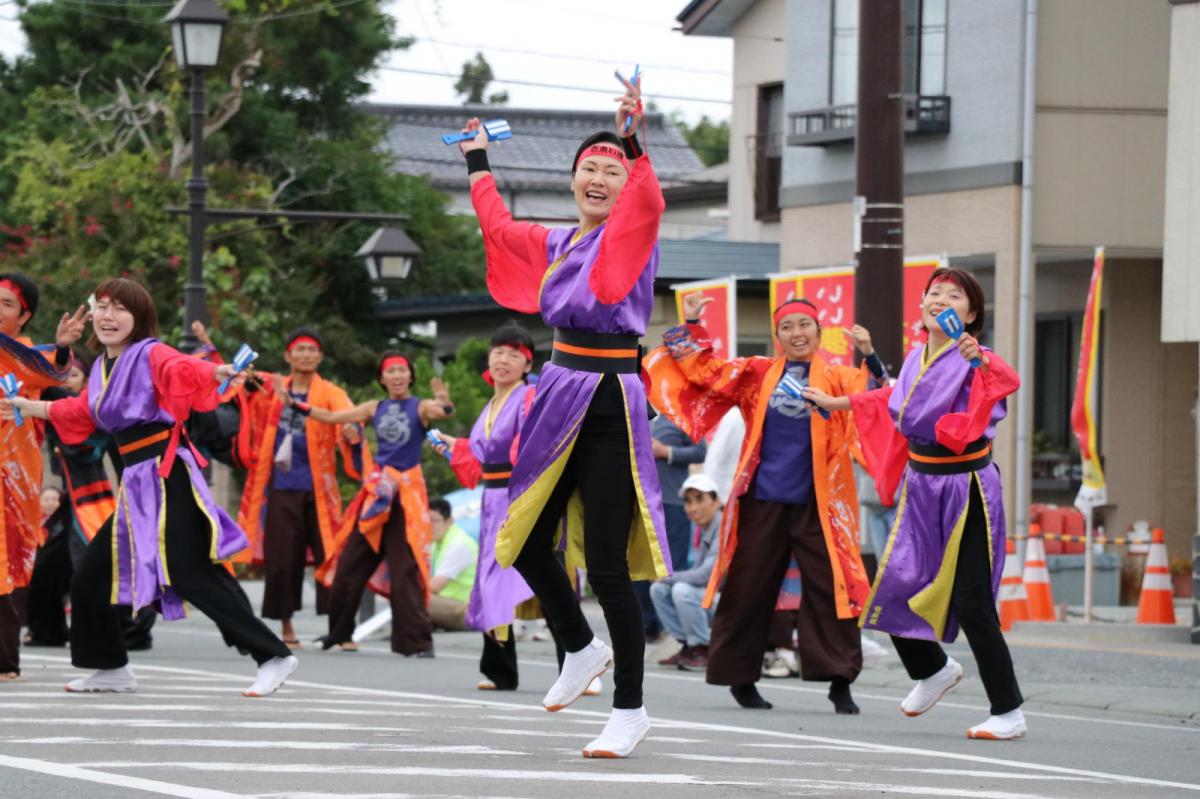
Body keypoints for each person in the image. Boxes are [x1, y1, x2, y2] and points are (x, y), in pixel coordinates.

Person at [457, 73, 668, 758]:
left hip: (609, 395)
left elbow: (650, 198)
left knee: (607, 564)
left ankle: (629, 708)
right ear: (573, 181)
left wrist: (634, 139)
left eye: (611, 169)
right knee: (520, 540)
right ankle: (579, 645)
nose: (599, 178)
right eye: (589, 169)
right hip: (558, 391)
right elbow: (496, 225)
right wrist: (478, 162)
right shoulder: (556, 244)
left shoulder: (632, 234)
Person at [2, 277, 297, 696]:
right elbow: (82, 410)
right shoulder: (105, 367)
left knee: (192, 573)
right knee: (90, 576)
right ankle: (109, 667)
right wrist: (27, 406)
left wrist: (217, 370)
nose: (107, 316)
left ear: (138, 318)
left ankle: (272, 655)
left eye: (119, 308)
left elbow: (183, 367)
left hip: (166, 474)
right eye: (102, 306)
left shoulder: (149, 352)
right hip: (137, 483)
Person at [804, 266, 1026, 740]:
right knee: (895, 586)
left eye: (954, 296)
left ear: (970, 315)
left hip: (964, 487)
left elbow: (1004, 381)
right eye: (934, 293)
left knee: (972, 603)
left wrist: (978, 359)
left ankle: (1008, 710)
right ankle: (933, 670)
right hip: (922, 485)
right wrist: (836, 403)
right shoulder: (915, 356)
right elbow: (893, 400)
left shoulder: (975, 355)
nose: (940, 299)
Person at [646, 292, 886, 715]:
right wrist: (691, 324)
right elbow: (706, 373)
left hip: (821, 502)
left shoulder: (837, 377)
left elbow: (875, 397)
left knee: (833, 588)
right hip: (762, 499)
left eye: (804, 325)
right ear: (777, 335)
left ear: (818, 330)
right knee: (747, 588)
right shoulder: (757, 374)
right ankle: (739, 678)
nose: (797, 334)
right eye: (787, 327)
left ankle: (839, 681)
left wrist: (869, 354)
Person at [300, 351, 452, 656]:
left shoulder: (420, 406)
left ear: (410, 376)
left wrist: (445, 402)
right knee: (349, 564)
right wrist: (293, 403)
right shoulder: (374, 407)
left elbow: (441, 412)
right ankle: (338, 632)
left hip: (406, 498)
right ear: (382, 379)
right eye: (390, 371)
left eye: (401, 370)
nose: (396, 376)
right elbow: (331, 417)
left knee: (405, 569)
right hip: (378, 496)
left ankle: (418, 642)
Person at [430, 321, 539, 691]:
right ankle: (500, 669)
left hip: (520, 498)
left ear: (527, 365)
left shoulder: (528, 397)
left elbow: (530, 450)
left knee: (543, 579)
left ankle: (579, 655)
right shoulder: (492, 404)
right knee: (493, 584)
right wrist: (453, 446)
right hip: (492, 500)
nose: (503, 359)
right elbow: (478, 458)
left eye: (514, 354)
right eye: (497, 352)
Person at [236, 327, 360, 650]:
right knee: (282, 559)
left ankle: (341, 630)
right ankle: (287, 627)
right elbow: (238, 382)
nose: (306, 354)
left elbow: (348, 414)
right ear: (288, 356)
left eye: (312, 350)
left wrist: (350, 430)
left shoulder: (330, 392)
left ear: (320, 357)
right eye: (299, 349)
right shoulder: (272, 387)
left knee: (333, 554)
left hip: (320, 489)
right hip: (280, 487)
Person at [0, 272, 87, 681]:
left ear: (24, 316)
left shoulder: (28, 360)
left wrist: (65, 345)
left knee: (11, 558)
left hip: (14, 474)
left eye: (6, 304)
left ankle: (4, 659)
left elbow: (54, 375)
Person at [638, 415, 706, 641]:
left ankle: (678, 632)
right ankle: (647, 626)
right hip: (642, 501)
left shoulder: (679, 415)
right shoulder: (639, 411)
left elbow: (700, 451)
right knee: (640, 565)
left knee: (670, 565)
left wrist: (667, 452)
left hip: (673, 503)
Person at [651, 473, 721, 671]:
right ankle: (689, 647)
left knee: (682, 590)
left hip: (732, 604)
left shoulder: (723, 527)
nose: (693, 507)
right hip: (712, 598)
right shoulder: (703, 528)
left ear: (717, 501)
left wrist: (667, 577)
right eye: (689, 501)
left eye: (700, 499)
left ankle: (703, 648)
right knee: (658, 590)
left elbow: (703, 576)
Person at [426, 498, 478, 632]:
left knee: (412, 596)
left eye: (434, 520)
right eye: (426, 520)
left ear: (449, 521)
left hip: (468, 610)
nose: (429, 525)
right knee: (410, 594)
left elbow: (434, 586)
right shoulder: (438, 542)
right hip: (453, 605)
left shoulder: (458, 544)